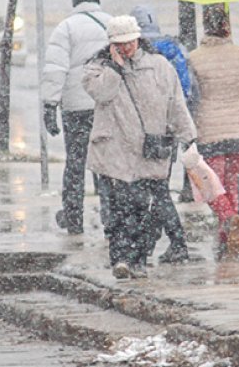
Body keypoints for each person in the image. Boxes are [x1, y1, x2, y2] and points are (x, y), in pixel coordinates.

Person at [83, 15, 196, 279]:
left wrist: (188, 136)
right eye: (119, 44)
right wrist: (115, 67)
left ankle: (140, 256)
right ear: (110, 44)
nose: (126, 48)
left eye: (129, 42)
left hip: (151, 149)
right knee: (122, 209)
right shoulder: (97, 69)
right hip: (116, 152)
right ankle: (121, 258)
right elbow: (102, 94)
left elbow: (176, 103)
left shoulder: (159, 66)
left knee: (152, 208)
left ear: (138, 39)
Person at [187, 4, 239, 260]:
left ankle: (228, 217)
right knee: (231, 182)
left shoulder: (194, 57)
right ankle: (227, 234)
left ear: (205, 28)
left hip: (209, 130)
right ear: (226, 27)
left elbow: (191, 94)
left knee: (210, 185)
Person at [41, 0, 112, 235]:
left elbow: (55, 69)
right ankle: (110, 217)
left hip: (75, 107)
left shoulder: (66, 28)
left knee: (75, 162)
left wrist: (50, 105)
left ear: (75, 1)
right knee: (105, 162)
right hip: (105, 104)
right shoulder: (112, 24)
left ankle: (73, 216)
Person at [129, 5, 194, 263]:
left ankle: (171, 242)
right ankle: (154, 242)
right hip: (170, 128)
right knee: (159, 186)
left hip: (147, 129)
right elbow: (186, 90)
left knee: (154, 189)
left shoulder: (140, 53)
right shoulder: (173, 48)